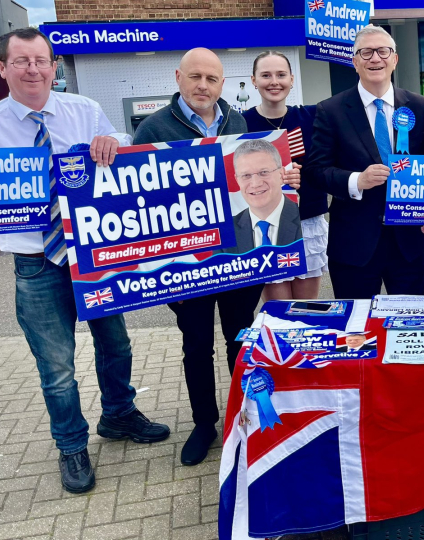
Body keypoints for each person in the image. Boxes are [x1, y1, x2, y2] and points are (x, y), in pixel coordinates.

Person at [0, 28, 169, 494]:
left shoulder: (82, 109)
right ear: (3, 68)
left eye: (41, 60)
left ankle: (118, 415)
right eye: (21, 61)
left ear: (54, 67)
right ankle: (71, 445)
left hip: (94, 255)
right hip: (36, 263)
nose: (33, 69)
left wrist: (113, 140)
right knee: (57, 369)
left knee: (116, 344)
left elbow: (119, 136)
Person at [134, 48, 263, 466]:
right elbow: (138, 202)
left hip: (236, 260)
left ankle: (243, 416)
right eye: (195, 77)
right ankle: (204, 423)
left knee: (239, 342)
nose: (203, 85)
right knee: (196, 347)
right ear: (178, 77)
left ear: (223, 83)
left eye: (212, 78)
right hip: (184, 267)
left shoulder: (238, 122)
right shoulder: (153, 128)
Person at [305, 25, 424, 299]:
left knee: (408, 327)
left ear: (394, 59)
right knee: (357, 333)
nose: (375, 58)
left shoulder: (418, 105)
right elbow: (315, 171)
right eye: (366, 52)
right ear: (355, 62)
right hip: (353, 246)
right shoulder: (331, 110)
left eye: (383, 51)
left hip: (407, 244)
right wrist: (356, 180)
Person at [243, 51, 329, 301]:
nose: (274, 82)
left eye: (281, 75)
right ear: (254, 80)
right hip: (265, 226)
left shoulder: (311, 117)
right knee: (278, 312)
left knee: (305, 310)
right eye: (266, 75)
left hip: (307, 221)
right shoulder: (241, 124)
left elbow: (326, 165)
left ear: (292, 79)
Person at [227, 139, 302, 251]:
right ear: (237, 180)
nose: (256, 183)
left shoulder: (304, 217)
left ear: (281, 174)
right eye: (246, 175)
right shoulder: (226, 232)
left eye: (264, 172)